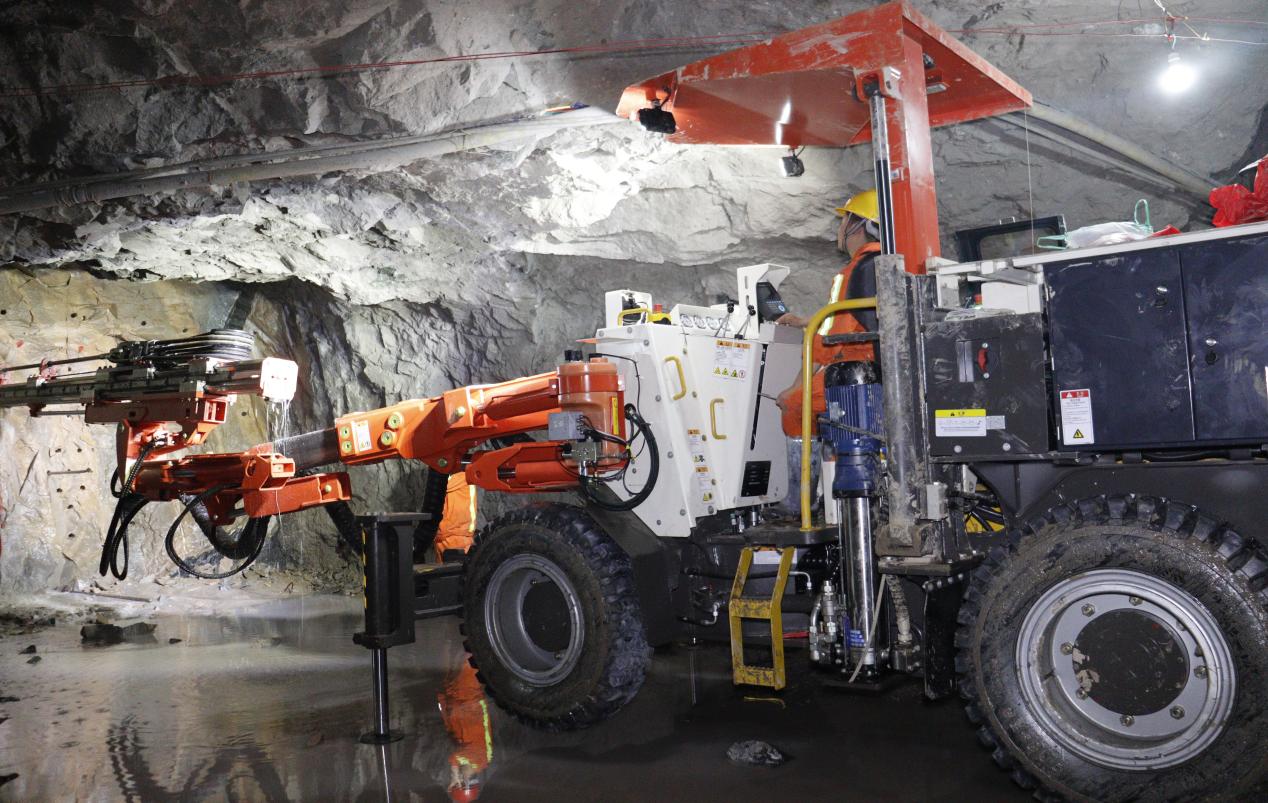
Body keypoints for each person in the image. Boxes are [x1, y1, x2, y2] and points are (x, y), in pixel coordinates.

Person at [775, 189, 882, 438]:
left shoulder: (854, 271)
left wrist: (796, 388)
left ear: (857, 225)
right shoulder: (886, 263)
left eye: (843, 220)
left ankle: (813, 464)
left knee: (794, 404)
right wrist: (805, 321)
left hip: (859, 369)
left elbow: (826, 342)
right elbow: (858, 317)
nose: (840, 227)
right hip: (881, 367)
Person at [434, 473, 477, 562]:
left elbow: (439, 484)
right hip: (444, 537)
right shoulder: (457, 476)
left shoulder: (463, 475)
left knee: (457, 569)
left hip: (457, 537)